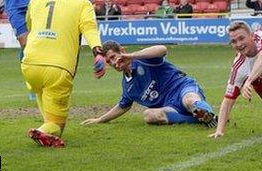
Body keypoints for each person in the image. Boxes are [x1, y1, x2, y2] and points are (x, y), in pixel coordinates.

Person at [21, 0, 107, 148]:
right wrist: (98, 53)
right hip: (58, 69)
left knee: (40, 90)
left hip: (29, 63)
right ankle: (45, 130)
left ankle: (45, 128)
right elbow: (90, 29)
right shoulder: (82, 4)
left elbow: (29, 25)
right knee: (58, 125)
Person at [81, 41, 216, 127]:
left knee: (189, 101)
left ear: (122, 51)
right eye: (109, 62)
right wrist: (99, 120)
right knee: (149, 116)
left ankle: (209, 114)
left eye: (113, 57)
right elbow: (122, 106)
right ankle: (198, 118)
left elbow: (162, 49)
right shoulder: (128, 87)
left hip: (182, 88)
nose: (113, 62)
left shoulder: (143, 59)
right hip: (170, 107)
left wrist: (132, 56)